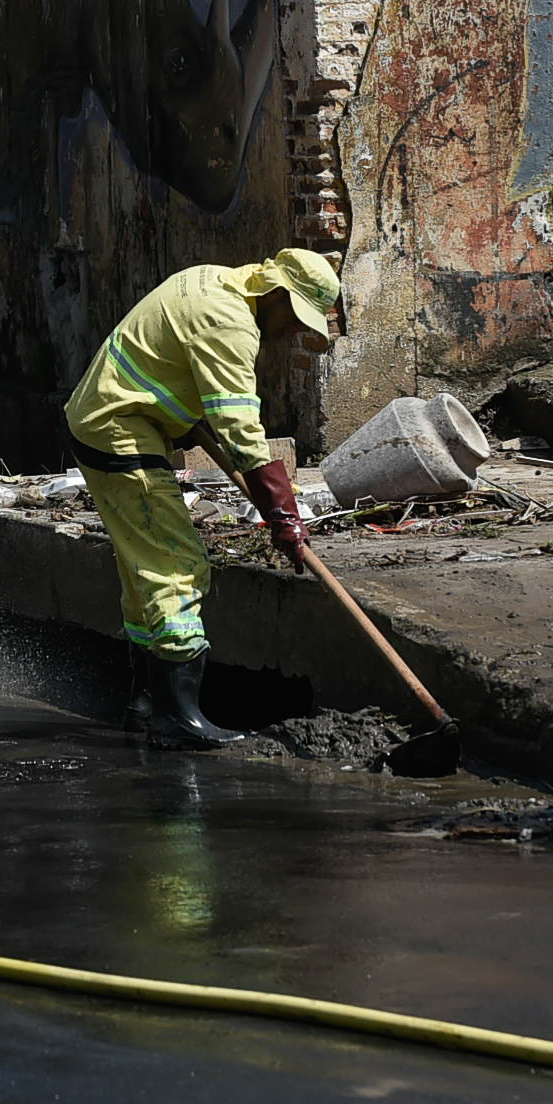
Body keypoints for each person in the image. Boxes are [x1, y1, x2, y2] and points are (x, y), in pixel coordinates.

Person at [65, 250, 339, 748]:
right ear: (276, 294)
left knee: (144, 573)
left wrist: (179, 413)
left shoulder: (210, 280)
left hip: (110, 415)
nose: (292, 332)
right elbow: (241, 429)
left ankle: (146, 705)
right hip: (119, 429)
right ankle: (178, 718)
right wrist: (283, 514)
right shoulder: (231, 323)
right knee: (177, 564)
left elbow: (172, 360)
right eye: (295, 318)